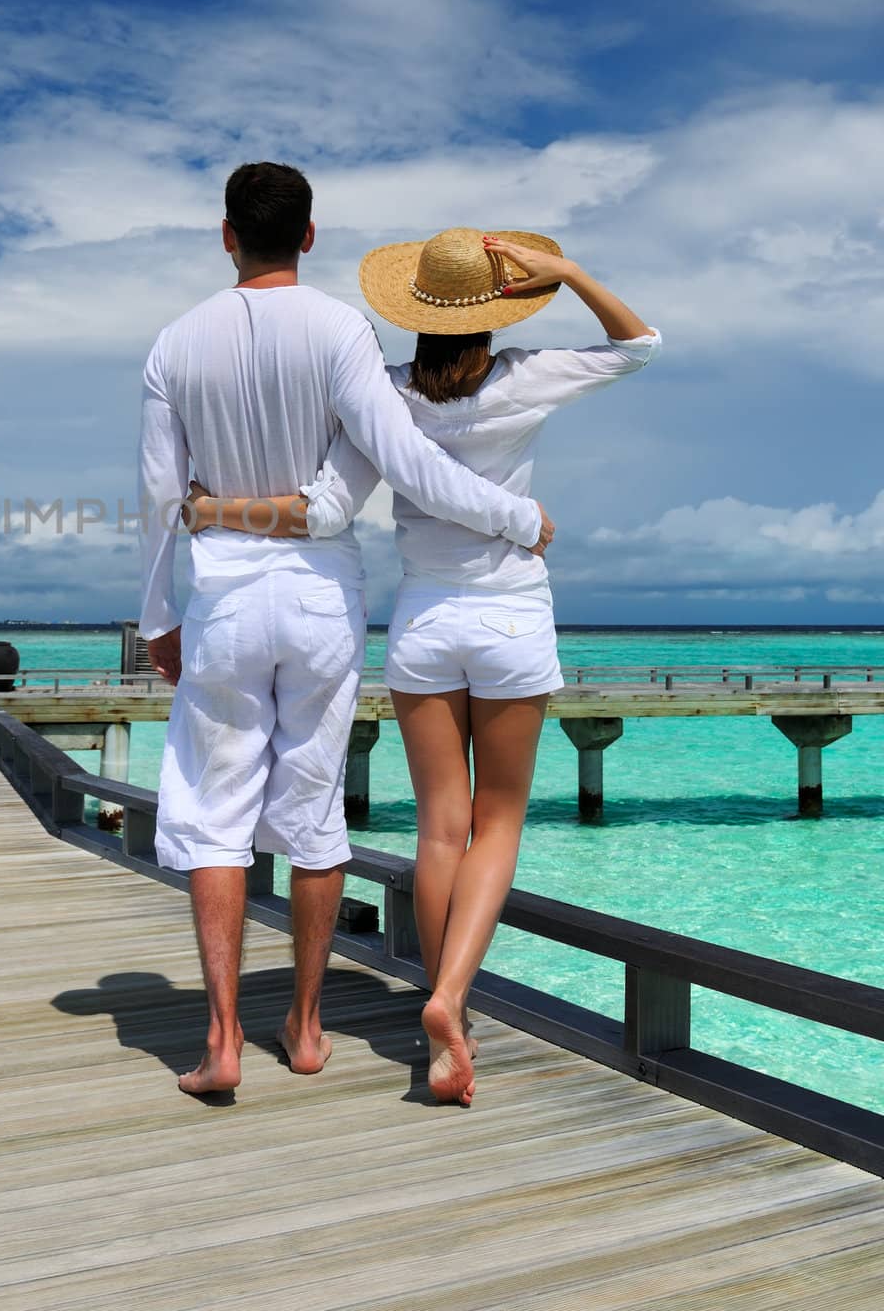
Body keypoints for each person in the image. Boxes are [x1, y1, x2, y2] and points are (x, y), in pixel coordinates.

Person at [182, 226, 659, 1105]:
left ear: (415, 316)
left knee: (440, 826)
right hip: (513, 615)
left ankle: (447, 1022)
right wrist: (569, 272)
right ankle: (449, 1003)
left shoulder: (387, 397)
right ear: (494, 313)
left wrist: (213, 508)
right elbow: (639, 346)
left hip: (425, 622)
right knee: (499, 824)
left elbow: (327, 506)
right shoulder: (527, 377)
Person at [138, 174, 555, 1097]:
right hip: (322, 602)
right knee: (314, 814)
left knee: (215, 812)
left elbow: (163, 500)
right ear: (311, 235)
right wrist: (514, 517)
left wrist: (156, 617)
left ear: (226, 236)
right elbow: (406, 462)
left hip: (223, 595)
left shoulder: (174, 345)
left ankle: (220, 1041)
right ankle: (308, 1026)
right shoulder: (340, 332)